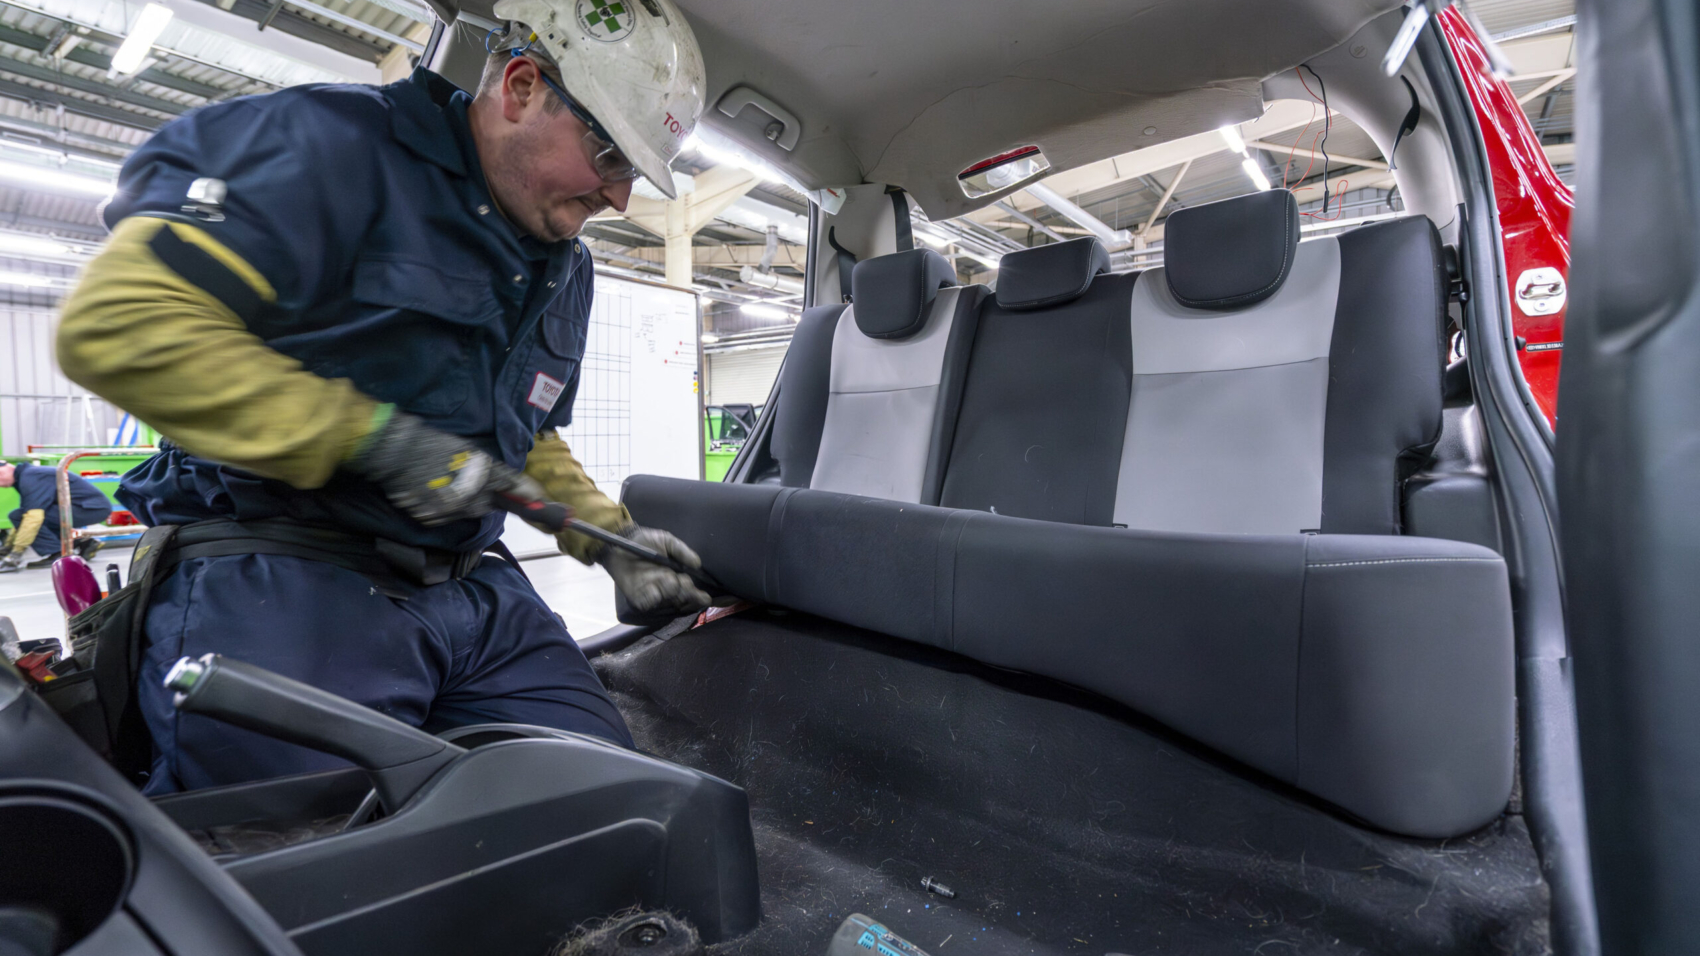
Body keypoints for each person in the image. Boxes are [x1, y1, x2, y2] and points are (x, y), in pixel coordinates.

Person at [54, 0, 711, 792]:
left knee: (615, 806)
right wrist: (376, 441)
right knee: (319, 866)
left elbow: (519, 435)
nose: (619, 200)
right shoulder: (327, 148)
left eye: (632, 173)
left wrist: (606, 537)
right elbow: (118, 325)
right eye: (609, 156)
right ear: (522, 86)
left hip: (476, 586)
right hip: (286, 574)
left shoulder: (562, 262)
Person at [0, 460, 112, 571]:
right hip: (88, 507)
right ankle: (82, 543)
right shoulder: (27, 475)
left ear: (10, 468)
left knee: (28, 518)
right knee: (22, 516)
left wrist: (15, 553)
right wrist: (7, 547)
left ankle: (58, 553)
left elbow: (31, 519)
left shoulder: (30, 477)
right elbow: (26, 515)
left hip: (89, 508)